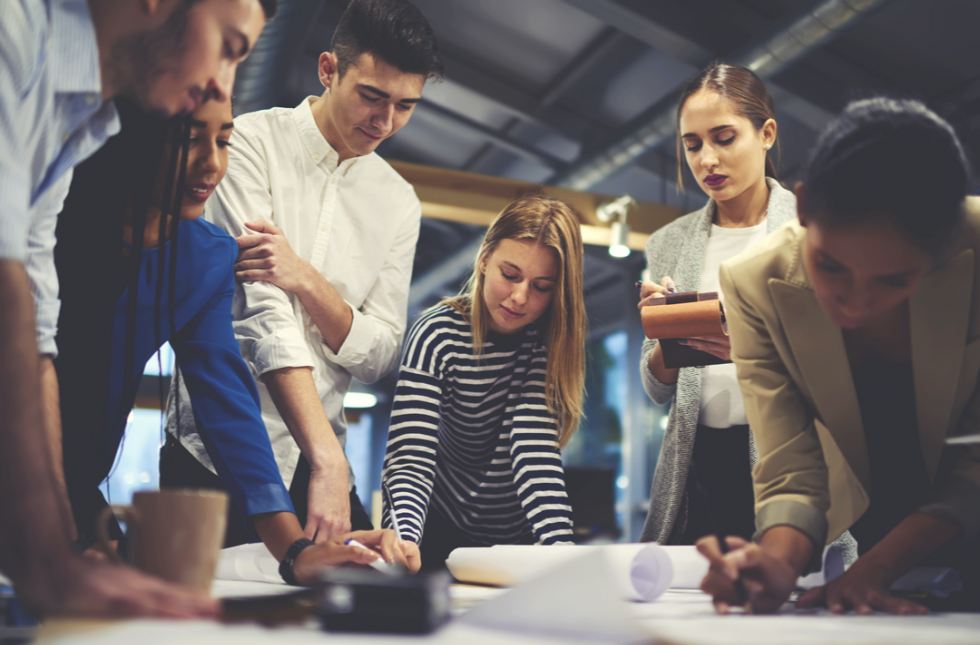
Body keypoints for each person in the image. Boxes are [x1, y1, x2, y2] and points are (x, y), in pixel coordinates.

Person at [53, 97, 417, 585]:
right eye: (188, 140)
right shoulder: (46, 230)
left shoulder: (204, 256)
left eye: (223, 140)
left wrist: (295, 552)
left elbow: (225, 403)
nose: (213, 164)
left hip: (72, 477)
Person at [0, 0, 273, 619]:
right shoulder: (12, 35)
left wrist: (61, 550)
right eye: (229, 47)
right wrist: (50, 558)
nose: (221, 84)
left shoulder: (79, 120)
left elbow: (35, 329)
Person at [162, 0, 443, 549]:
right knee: (197, 625)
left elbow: (383, 354)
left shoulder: (399, 202)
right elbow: (257, 312)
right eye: (372, 96)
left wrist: (308, 281)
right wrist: (329, 459)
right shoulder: (244, 143)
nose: (385, 122)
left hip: (318, 465)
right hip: (214, 454)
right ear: (328, 70)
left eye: (406, 106)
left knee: (355, 613)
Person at [700, 97, 980, 615]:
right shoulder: (753, 283)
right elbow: (789, 461)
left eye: (893, 280)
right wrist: (778, 562)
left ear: (943, 250)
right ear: (802, 208)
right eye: (831, 266)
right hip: (883, 529)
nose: (854, 301)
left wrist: (876, 569)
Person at [636, 63, 798, 546]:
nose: (707, 159)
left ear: (766, 133)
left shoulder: (810, 232)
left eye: (724, 138)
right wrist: (668, 333)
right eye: (692, 145)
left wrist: (744, 348)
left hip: (788, 457)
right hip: (696, 459)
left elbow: (842, 369)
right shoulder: (669, 243)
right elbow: (656, 386)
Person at [382, 194, 586, 569]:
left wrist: (560, 548)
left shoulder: (544, 343)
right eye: (509, 275)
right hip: (437, 528)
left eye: (541, 286)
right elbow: (412, 457)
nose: (519, 297)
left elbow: (535, 452)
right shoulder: (437, 334)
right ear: (484, 260)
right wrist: (405, 536)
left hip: (517, 538)